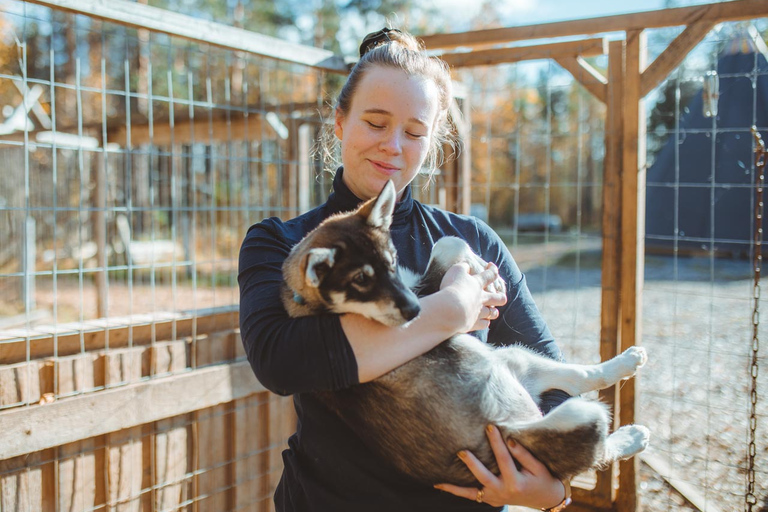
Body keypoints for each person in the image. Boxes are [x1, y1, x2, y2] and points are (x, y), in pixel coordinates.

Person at [239, 27, 572, 512]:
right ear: (339, 121)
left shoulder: (474, 242)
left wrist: (554, 492)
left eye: (415, 132)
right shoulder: (283, 245)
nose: (393, 145)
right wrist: (453, 309)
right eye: (375, 123)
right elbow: (280, 360)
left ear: (432, 140)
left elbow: (554, 384)